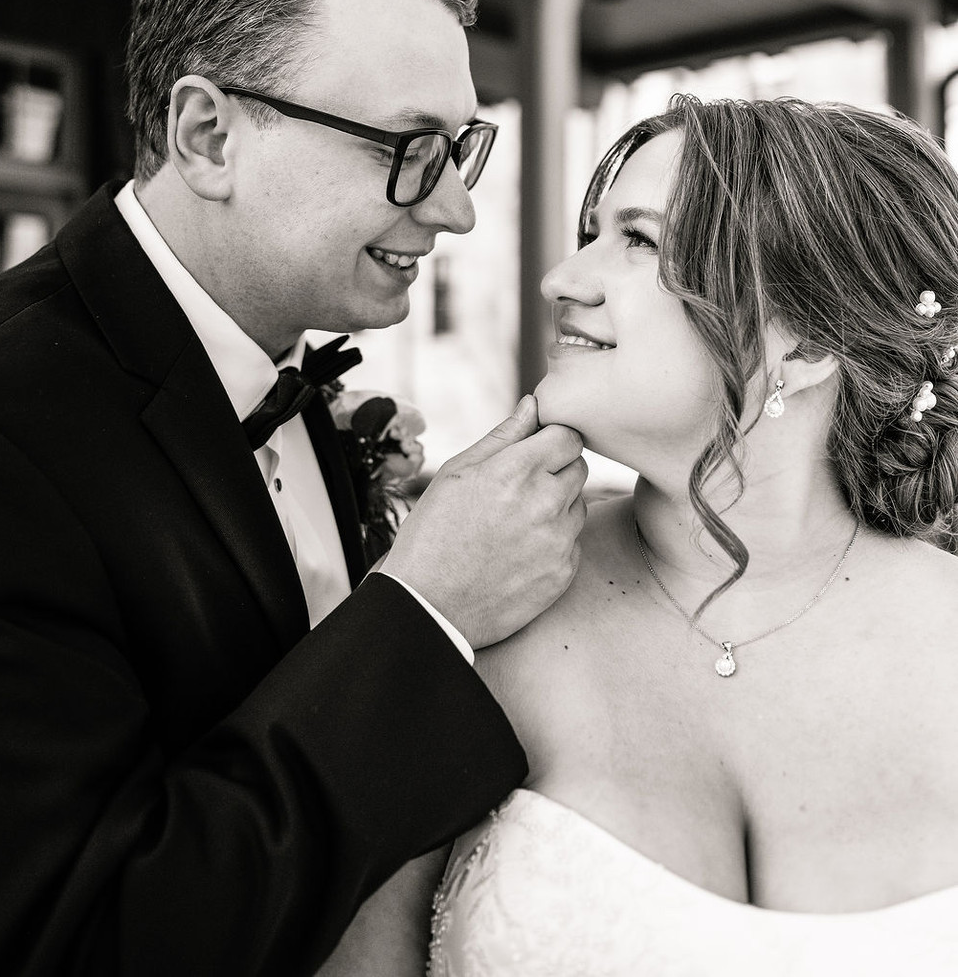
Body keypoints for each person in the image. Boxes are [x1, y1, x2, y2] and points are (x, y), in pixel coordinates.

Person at [0, 0, 588, 977]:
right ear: (208, 135)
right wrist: (425, 610)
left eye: (461, 150)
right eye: (409, 148)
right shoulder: (0, 428)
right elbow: (85, 937)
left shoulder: (292, 374)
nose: (454, 210)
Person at [323, 93, 958, 976]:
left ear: (806, 343)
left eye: (640, 240)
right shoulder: (474, 599)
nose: (561, 280)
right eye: (593, 234)